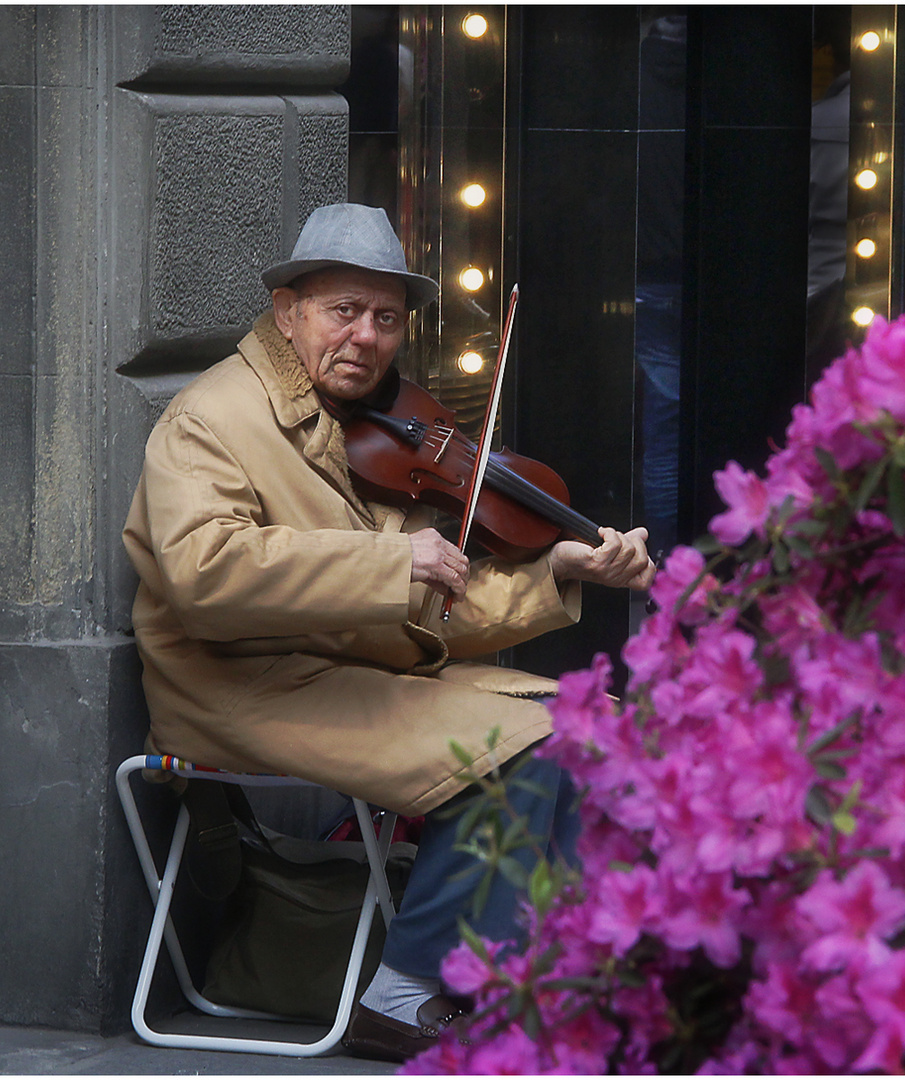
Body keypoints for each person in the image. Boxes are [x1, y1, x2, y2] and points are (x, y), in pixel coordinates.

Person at [121, 203, 655, 1061]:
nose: (367, 338)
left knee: (588, 728)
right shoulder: (211, 418)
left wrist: (554, 572)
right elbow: (203, 576)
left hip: (343, 670)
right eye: (344, 312)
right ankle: (404, 993)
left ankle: (556, 977)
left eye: (386, 319)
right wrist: (387, 564)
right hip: (237, 686)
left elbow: (429, 607)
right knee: (507, 747)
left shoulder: (366, 420)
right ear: (288, 309)